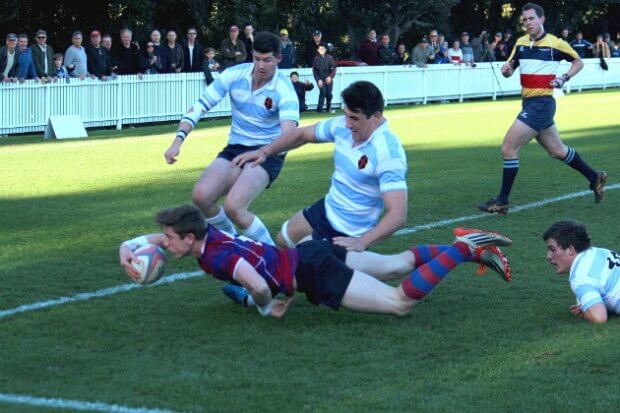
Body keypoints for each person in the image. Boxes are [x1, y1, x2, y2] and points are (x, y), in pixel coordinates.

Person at [119, 205, 513, 318]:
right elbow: (158, 235)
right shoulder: (206, 233)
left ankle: (463, 249)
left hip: (311, 271)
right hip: (312, 251)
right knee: (396, 264)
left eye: (170, 240)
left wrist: (265, 306)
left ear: (189, 238)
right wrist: (130, 245)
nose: (164, 246)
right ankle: (467, 247)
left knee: (399, 304)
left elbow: (255, 283)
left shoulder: (218, 255)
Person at [232, 80, 407, 253]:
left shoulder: (388, 153)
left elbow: (397, 214)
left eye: (354, 118)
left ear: (375, 117)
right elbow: (301, 135)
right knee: (283, 240)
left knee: (301, 264)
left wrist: (362, 241)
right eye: (346, 115)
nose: (347, 123)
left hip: (349, 231)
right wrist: (265, 151)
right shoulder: (342, 126)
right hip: (327, 208)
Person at [163, 31, 299, 247]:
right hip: (236, 148)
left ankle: (275, 261)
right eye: (257, 59)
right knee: (201, 196)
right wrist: (178, 141)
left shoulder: (284, 89)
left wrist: (265, 152)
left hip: (269, 152)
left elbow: (289, 135)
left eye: (268, 60)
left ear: (279, 59)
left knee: (234, 207)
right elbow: (200, 106)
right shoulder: (234, 75)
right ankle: (236, 246)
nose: (261, 66)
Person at [478, 2, 607, 214]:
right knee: (557, 151)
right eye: (525, 20)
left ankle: (502, 201)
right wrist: (506, 68)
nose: (527, 23)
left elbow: (578, 62)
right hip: (530, 103)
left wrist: (564, 77)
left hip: (542, 104)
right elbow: (509, 70)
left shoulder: (555, 43)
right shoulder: (520, 43)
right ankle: (595, 177)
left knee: (508, 148)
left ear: (541, 19)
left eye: (531, 19)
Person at [543, 220, 619, 323]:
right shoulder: (599, 251)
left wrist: (584, 309)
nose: (548, 256)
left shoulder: (580, 276)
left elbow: (599, 317)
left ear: (570, 250)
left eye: (553, 250)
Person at [312, 43, 336, 113]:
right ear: (318, 50)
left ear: (325, 50)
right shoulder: (316, 59)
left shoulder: (330, 58)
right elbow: (315, 70)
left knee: (329, 93)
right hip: (320, 78)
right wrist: (318, 79)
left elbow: (333, 69)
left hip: (328, 78)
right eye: (320, 49)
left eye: (323, 49)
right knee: (323, 92)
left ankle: (329, 108)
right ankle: (319, 109)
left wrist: (330, 77)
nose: (321, 50)